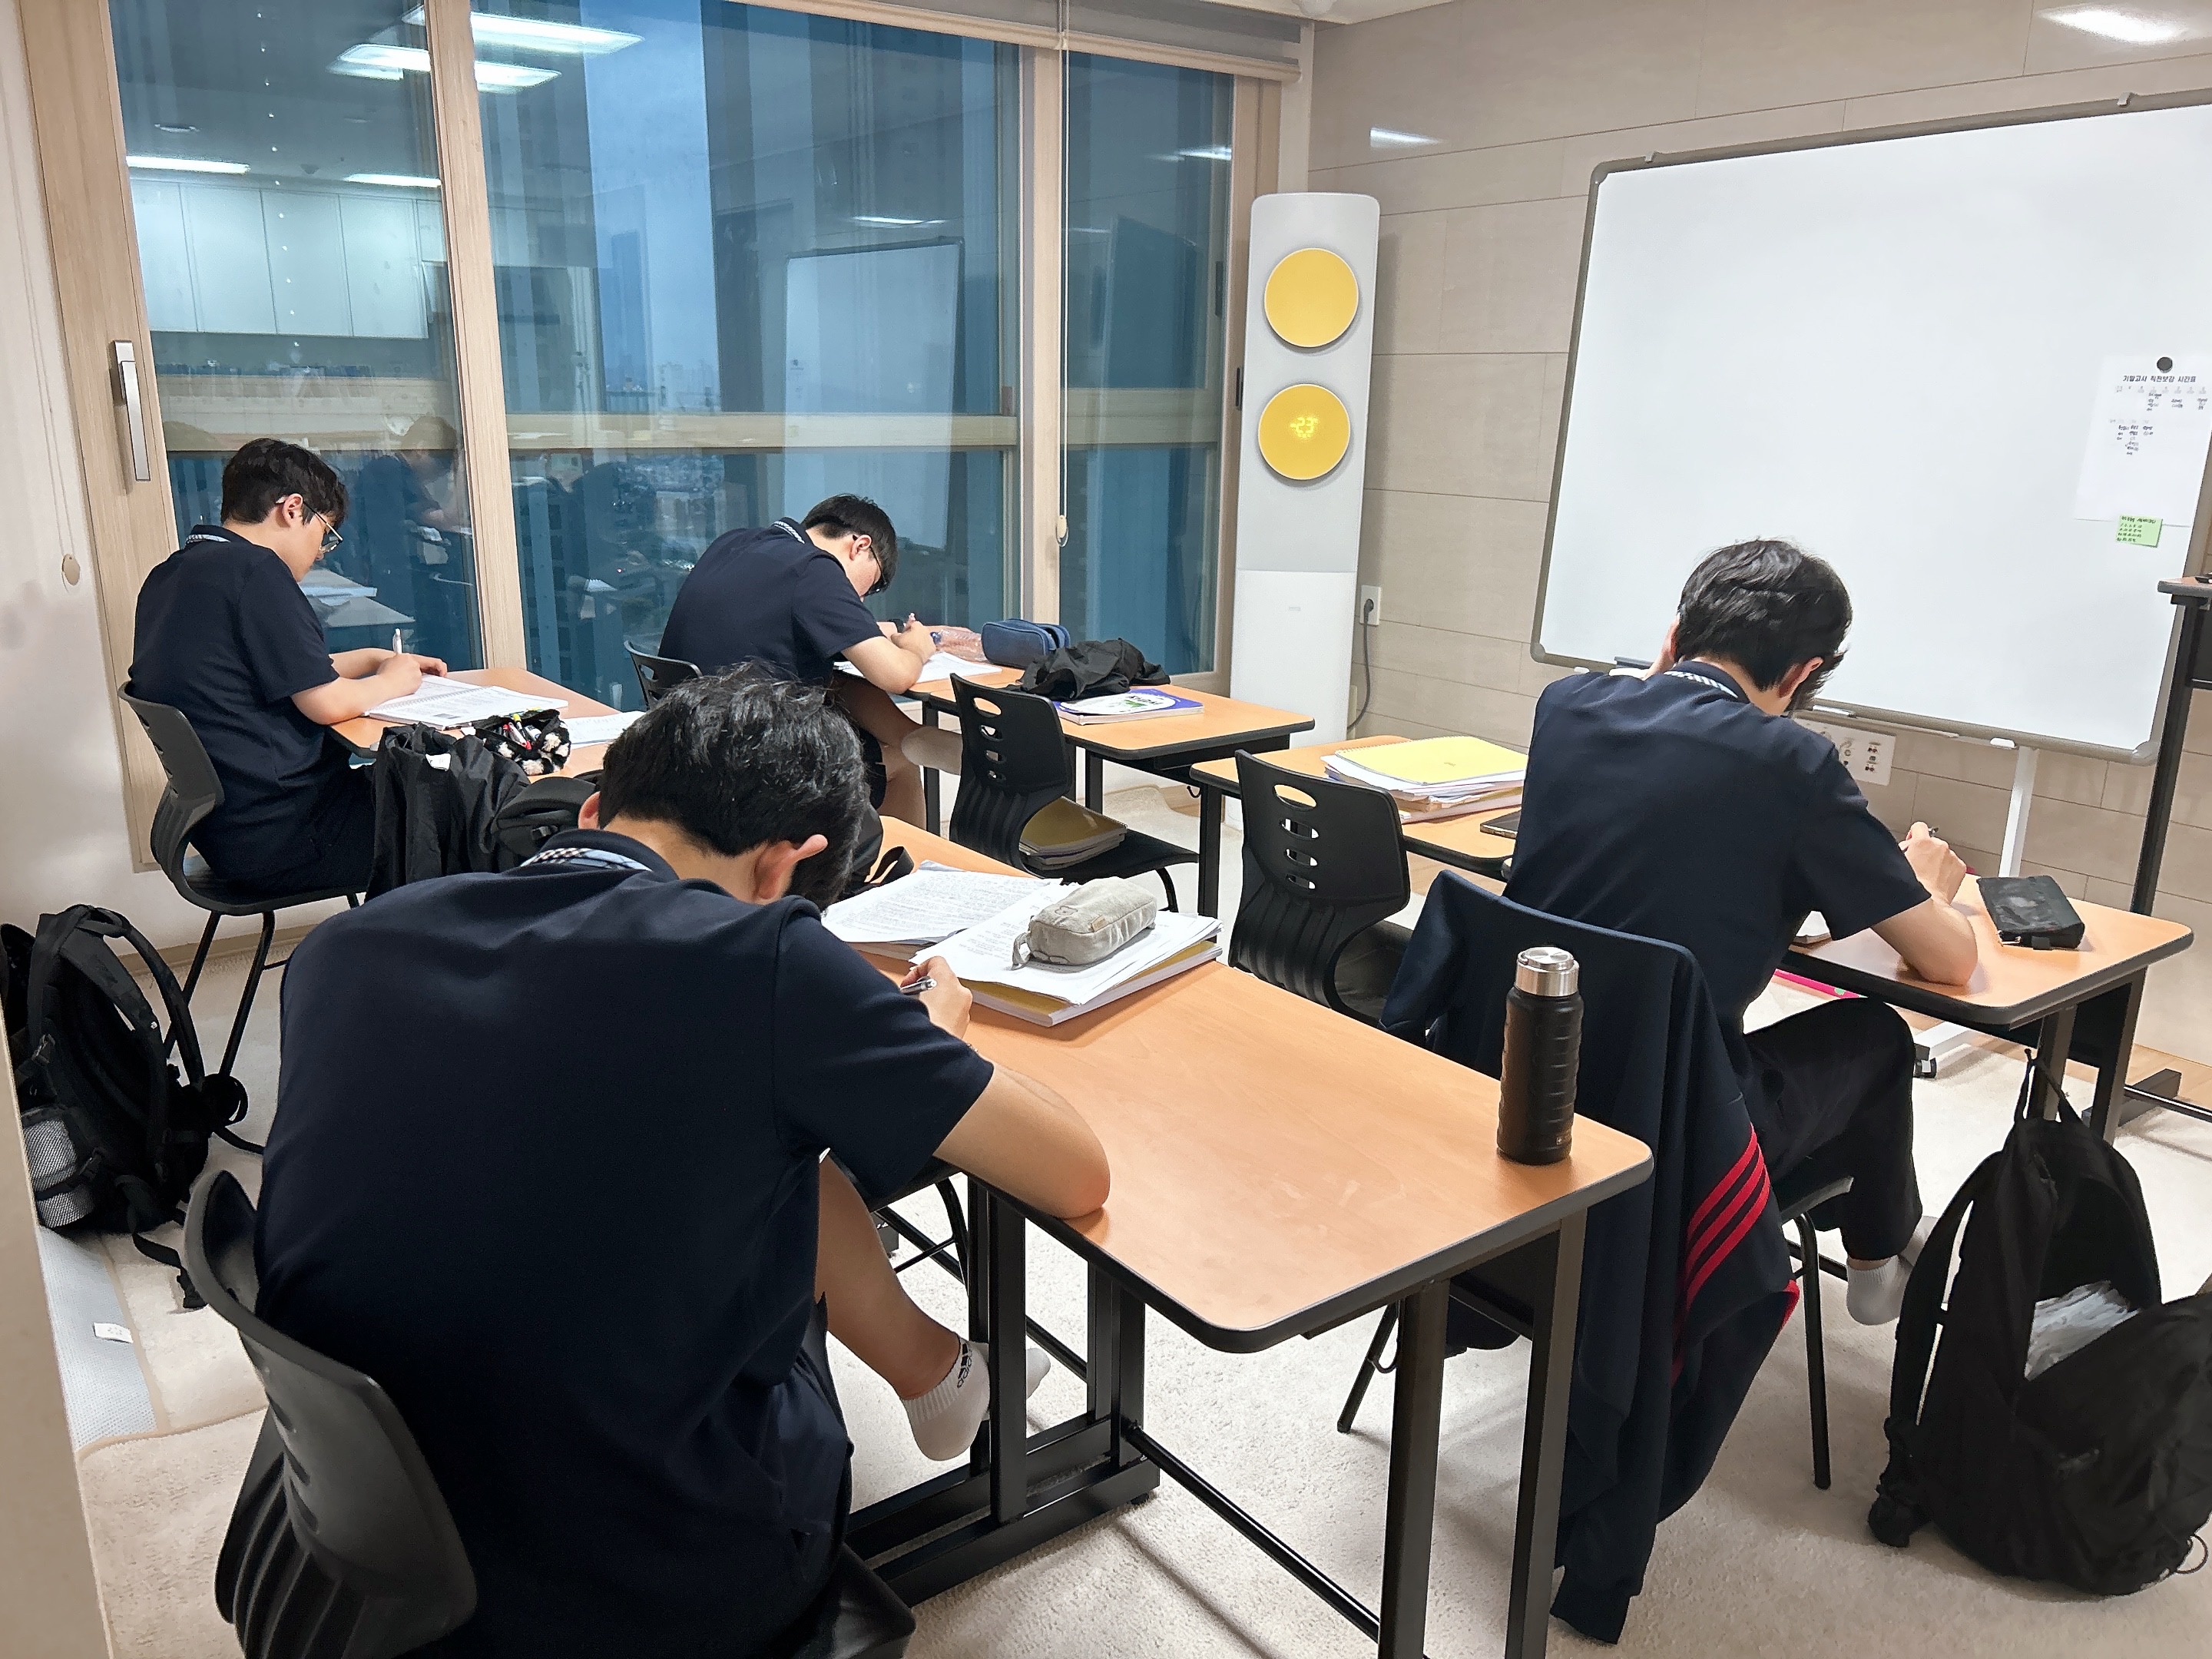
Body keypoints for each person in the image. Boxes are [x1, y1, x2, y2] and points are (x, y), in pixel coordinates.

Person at [254, 670, 1109, 1658]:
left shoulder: (346, 947)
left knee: (737, 1132)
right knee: (780, 1143)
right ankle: (940, 1377)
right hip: (643, 1578)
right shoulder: (766, 961)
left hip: (360, 1542)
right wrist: (938, 1041)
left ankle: (937, 1376)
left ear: (593, 811)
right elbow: (1075, 1173)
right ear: (785, 869)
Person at [1504, 539, 1978, 1325]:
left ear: (1674, 636)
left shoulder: (1566, 705)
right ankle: (1877, 1255)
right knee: (1875, 1037)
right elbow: (1950, 961)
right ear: (1802, 674)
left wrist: (1665, 671)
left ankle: (1869, 1232)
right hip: (1682, 1126)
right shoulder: (1795, 766)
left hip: (1526, 1081)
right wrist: (1927, 882)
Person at [127, 438, 445, 898]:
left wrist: (374, 659)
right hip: (290, 835)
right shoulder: (258, 573)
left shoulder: (177, 573)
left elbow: (273, 672)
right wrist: (393, 682)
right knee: (460, 808)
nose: (321, 552)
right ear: (293, 510)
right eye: (325, 534)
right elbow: (325, 702)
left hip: (229, 831)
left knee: (425, 790)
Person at [657, 494, 948, 822]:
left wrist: (890, 630)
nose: (863, 598)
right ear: (860, 546)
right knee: (900, 762)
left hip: (681, 745)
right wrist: (917, 648)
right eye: (875, 585)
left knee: (835, 683)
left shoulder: (735, 543)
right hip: (748, 767)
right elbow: (896, 675)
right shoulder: (814, 569)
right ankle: (905, 853)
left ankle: (916, 738)